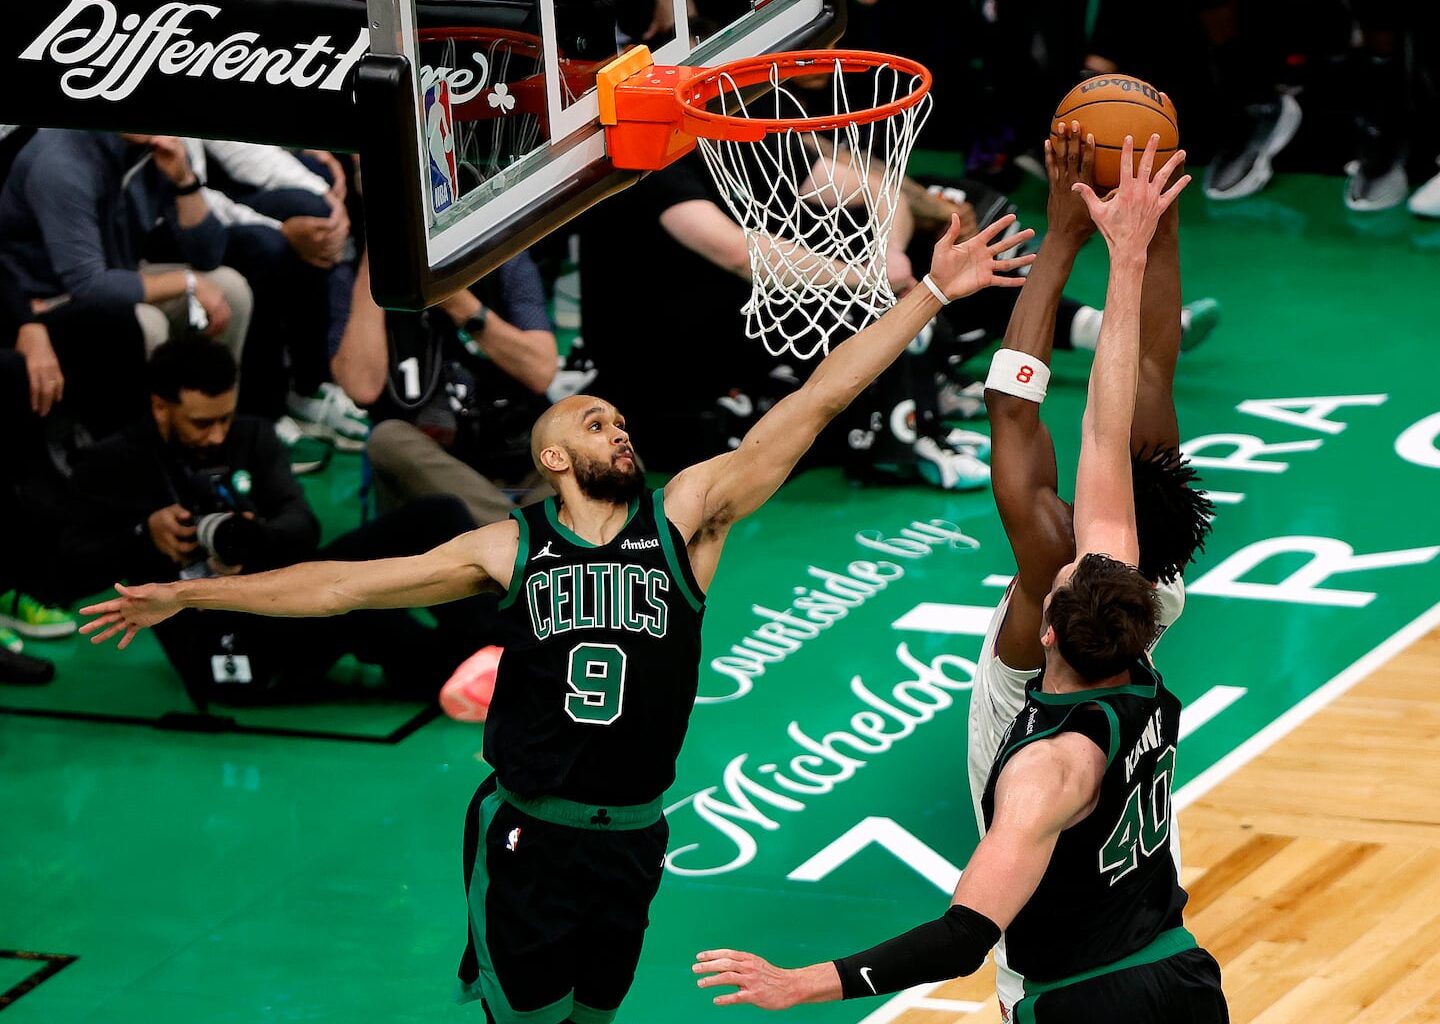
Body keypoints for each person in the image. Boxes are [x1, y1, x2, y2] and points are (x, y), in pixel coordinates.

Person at [79, 212, 1037, 1024]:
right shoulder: (509, 547)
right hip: (527, 838)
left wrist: (933, 296)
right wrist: (188, 591)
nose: (616, 429)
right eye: (593, 423)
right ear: (554, 460)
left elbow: (817, 400)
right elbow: (337, 585)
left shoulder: (688, 516)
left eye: (620, 422)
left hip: (634, 835)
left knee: (598, 1013)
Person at [693, 134, 1228, 1023]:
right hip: (1179, 970)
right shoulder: (1136, 621)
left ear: (1051, 621)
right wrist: (1138, 247)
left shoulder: (1049, 687)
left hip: (1084, 996)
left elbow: (1021, 412)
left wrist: (1061, 237)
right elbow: (1115, 421)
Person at [968, 122, 1214, 846]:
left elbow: (1013, 407)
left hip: (1026, 787)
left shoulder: (1056, 566)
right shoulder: (1154, 577)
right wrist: (1154, 227)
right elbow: (1149, 370)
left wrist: (1064, 235)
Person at [66, 339, 482, 707]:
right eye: (201, 423)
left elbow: (303, 528)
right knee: (357, 601)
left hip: (275, 597)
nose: (216, 435)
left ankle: (491, 646)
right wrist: (144, 535)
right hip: (225, 646)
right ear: (160, 406)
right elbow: (68, 567)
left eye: (224, 419)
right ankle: (471, 673)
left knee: (440, 513)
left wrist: (256, 535)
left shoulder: (251, 436)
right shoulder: (117, 461)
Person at [0, 130, 253, 437]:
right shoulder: (60, 161)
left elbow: (208, 255)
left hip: (120, 274)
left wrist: (184, 180)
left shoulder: (159, 149)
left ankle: (213, 425)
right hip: (47, 298)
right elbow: (88, 284)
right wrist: (187, 281)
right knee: (147, 323)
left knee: (231, 289)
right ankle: (154, 445)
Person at [332, 251, 558, 527]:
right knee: (386, 439)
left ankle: (510, 538)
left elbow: (541, 372)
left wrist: (460, 305)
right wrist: (375, 265)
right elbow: (361, 387)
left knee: (591, 445)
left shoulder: (506, 261)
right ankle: (522, 538)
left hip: (522, 460)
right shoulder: (352, 275)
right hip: (438, 475)